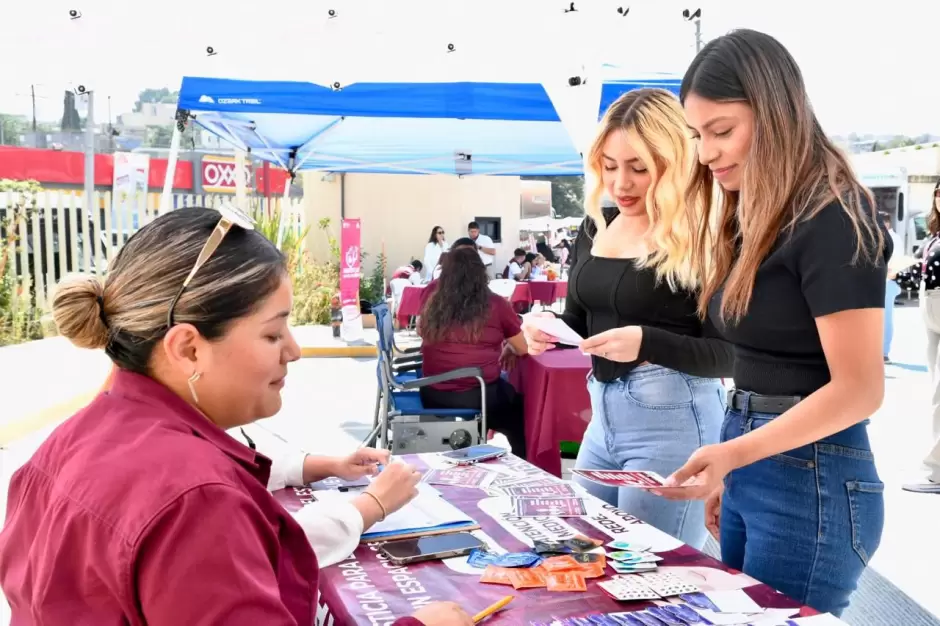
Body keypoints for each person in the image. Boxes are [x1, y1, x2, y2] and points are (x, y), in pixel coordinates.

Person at [0, 207, 472, 626]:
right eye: (272, 334)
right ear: (187, 348)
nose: (294, 350)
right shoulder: (197, 500)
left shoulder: (64, 443)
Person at [656, 30, 890, 617]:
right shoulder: (757, 214)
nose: (706, 153)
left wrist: (736, 456)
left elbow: (860, 389)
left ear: (777, 112)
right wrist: (733, 461)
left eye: (722, 130)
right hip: (759, 454)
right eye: (697, 135)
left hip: (810, 473)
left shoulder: (834, 214)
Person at [521, 88, 733, 549]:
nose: (621, 183)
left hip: (675, 421)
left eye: (639, 168)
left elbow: (728, 355)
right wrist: (546, 329)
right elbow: (581, 319)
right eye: (609, 166)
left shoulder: (707, 232)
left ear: (675, 162)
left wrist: (647, 341)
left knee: (654, 576)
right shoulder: (596, 225)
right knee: (584, 554)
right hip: (602, 419)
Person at [419, 247, 528, 457]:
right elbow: (523, 347)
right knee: (522, 415)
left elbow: (421, 334)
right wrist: (509, 347)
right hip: (480, 396)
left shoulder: (434, 303)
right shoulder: (496, 304)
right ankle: (524, 472)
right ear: (481, 272)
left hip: (432, 393)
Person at [896, 180, 940, 493]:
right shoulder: (934, 234)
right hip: (930, 308)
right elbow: (920, 273)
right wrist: (893, 273)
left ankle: (936, 472)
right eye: (938, 192)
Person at [882, 215, 903, 362]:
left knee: (886, 318)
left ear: (887, 222)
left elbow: (896, 261)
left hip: (888, 281)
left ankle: (884, 351)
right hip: (885, 281)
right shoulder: (891, 237)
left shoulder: (893, 238)